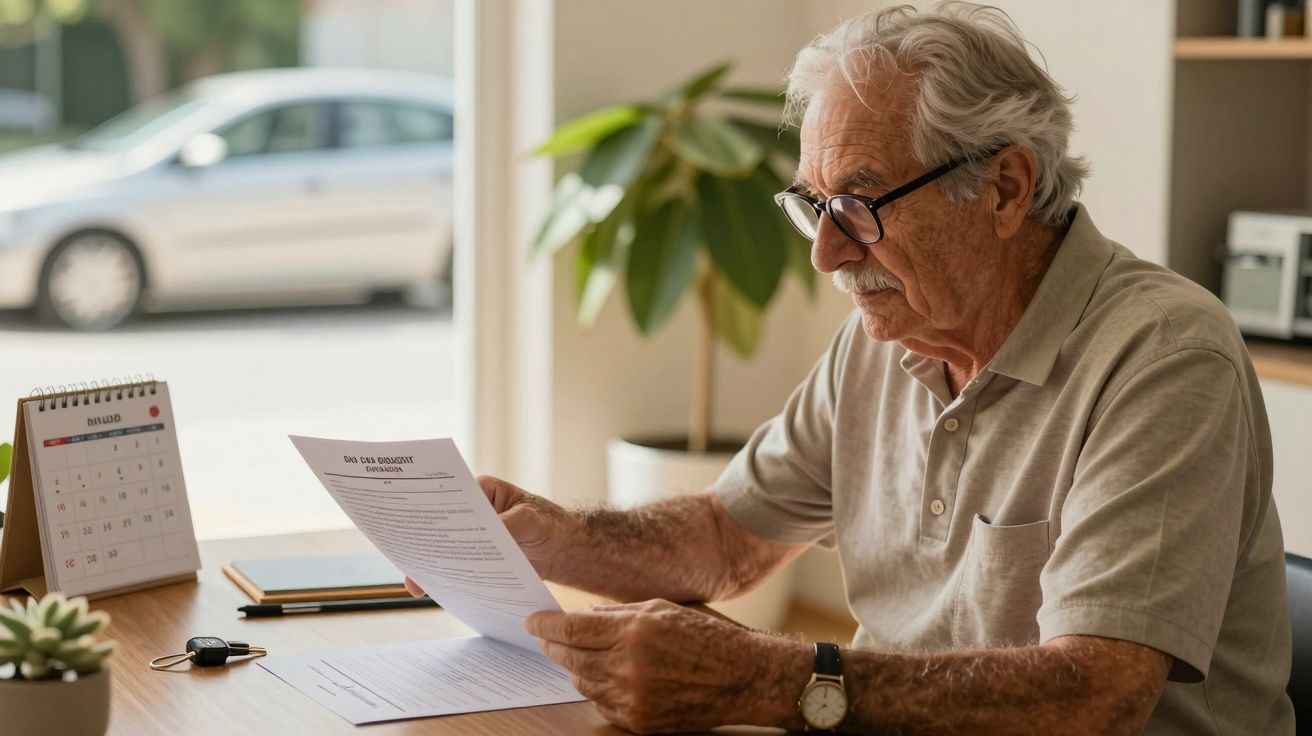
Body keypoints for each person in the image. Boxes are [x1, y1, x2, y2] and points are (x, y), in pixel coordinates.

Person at [408, 3, 1294, 733]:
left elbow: (1096, 694)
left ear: (1005, 188)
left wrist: (774, 677)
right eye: (814, 206)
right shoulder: (886, 338)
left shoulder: (1166, 357)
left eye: (862, 204)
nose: (827, 254)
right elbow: (727, 537)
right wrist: (559, 535)